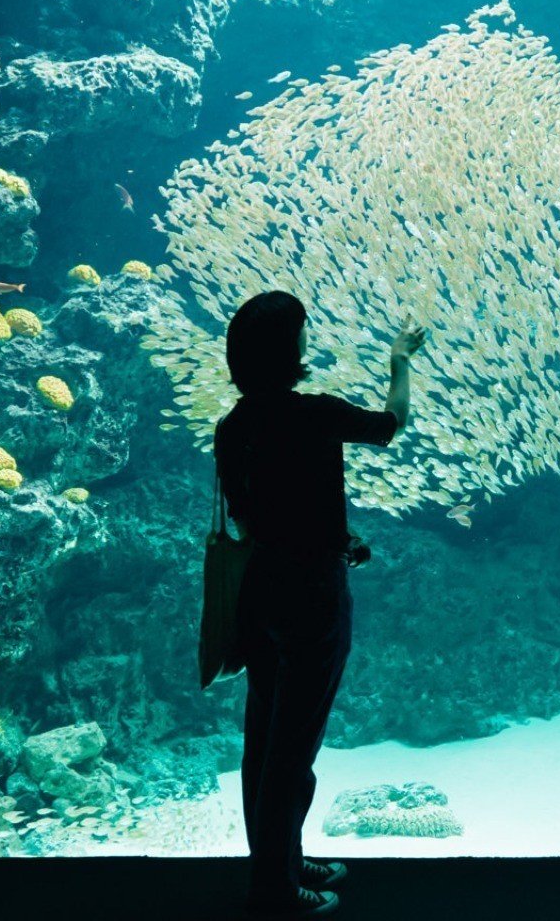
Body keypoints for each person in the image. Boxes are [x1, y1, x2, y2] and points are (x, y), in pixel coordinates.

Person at [213, 291, 426, 917]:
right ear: (289, 349)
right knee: (293, 748)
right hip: (311, 601)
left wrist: (340, 537)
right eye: (303, 330)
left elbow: (261, 517)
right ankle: (275, 889)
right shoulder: (313, 415)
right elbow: (391, 425)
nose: (308, 337)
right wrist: (398, 359)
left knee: (265, 741)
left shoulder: (233, 425)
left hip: (262, 597)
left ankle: (279, 858)